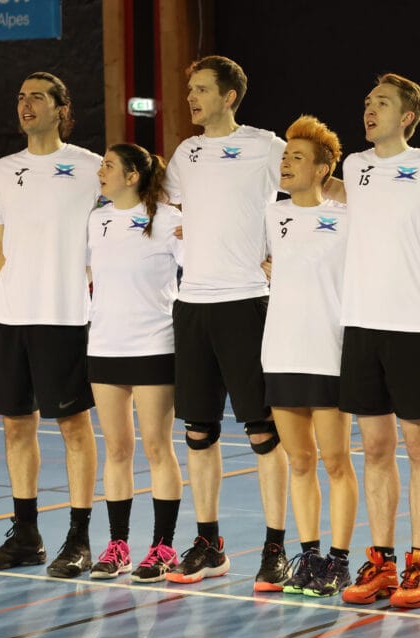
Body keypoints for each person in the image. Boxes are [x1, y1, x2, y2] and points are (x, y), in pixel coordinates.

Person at [163, 55, 291, 590]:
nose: (191, 97)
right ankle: (209, 545)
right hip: (192, 303)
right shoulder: (186, 153)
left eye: (201, 89)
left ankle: (275, 549)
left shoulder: (266, 146)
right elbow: (162, 205)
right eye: (190, 88)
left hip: (245, 301)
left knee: (263, 431)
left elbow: (312, 189)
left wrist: (284, 251)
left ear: (229, 96)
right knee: (198, 431)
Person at [335, 73, 420, 609]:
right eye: (367, 101)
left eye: (381, 103)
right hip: (360, 322)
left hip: (415, 326)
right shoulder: (354, 166)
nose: (370, 109)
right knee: (375, 449)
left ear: (407, 117)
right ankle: (382, 562)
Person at [0, 72, 102, 578]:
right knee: (15, 426)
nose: (25, 105)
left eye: (37, 97)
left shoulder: (91, 167)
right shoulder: (3, 170)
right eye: (21, 97)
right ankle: (26, 537)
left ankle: (79, 538)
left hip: (65, 316)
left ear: (61, 109)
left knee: (74, 428)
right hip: (11, 317)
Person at [258, 115, 357, 598]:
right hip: (281, 351)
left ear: (322, 169)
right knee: (299, 460)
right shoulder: (270, 215)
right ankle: (310, 556)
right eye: (285, 156)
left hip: (329, 351)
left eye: (298, 157)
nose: (286, 163)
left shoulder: (347, 218)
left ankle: (339, 560)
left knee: (336, 461)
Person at [86, 143, 185, 582]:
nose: (100, 171)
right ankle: (118, 546)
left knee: (157, 447)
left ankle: (163, 547)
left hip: (154, 344)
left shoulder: (167, 220)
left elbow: (198, 265)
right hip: (105, 345)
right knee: (117, 449)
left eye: (108, 165)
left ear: (132, 176)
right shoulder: (97, 219)